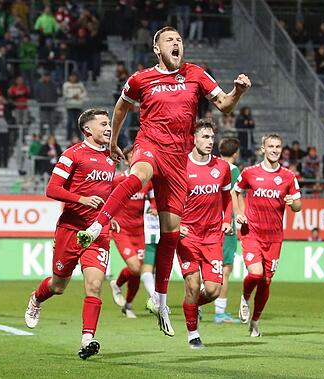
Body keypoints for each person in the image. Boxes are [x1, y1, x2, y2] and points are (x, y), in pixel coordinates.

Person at [76, 26, 251, 338]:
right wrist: (115, 142)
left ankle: (160, 299)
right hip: (149, 144)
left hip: (177, 159)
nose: (176, 43)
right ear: (156, 49)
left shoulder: (196, 74)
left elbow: (224, 104)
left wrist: (238, 91)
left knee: (170, 231)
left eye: (179, 40)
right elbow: (121, 108)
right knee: (138, 173)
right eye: (170, 40)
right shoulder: (141, 79)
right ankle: (97, 225)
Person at [23, 109, 115, 360]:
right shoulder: (72, 155)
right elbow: (52, 189)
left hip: (98, 231)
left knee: (95, 285)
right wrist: (81, 199)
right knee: (58, 285)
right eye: (104, 124)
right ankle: (36, 298)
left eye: (110, 124)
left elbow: (110, 192)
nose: (109, 128)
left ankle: (88, 338)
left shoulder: (112, 156)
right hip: (71, 229)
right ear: (88, 130)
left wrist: (109, 217)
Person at [232, 134, 302, 337]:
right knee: (255, 274)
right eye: (270, 146)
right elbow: (235, 192)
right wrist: (240, 213)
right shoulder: (250, 173)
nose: (274, 150)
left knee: (266, 282)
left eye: (278, 146)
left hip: (274, 237)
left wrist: (292, 202)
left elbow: (298, 206)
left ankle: (255, 321)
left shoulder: (288, 176)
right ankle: (245, 299)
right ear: (263, 149)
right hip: (252, 232)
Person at [175, 120, 232, 349]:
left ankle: (191, 305)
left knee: (212, 291)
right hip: (188, 234)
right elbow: (169, 199)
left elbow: (227, 198)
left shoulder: (222, 167)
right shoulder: (181, 166)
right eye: (205, 137)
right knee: (192, 284)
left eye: (212, 137)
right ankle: (193, 334)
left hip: (212, 236)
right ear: (194, 139)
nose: (210, 142)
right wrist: (176, 224)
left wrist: (227, 220)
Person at [109, 145, 153, 318]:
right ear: (127, 160)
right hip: (122, 230)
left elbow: (154, 197)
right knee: (134, 268)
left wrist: (155, 208)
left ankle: (128, 305)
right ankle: (117, 284)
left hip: (139, 230)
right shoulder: (118, 181)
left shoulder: (146, 182)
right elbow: (107, 200)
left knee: (137, 270)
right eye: (131, 156)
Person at [215, 137, 242, 324]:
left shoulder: (212, 165)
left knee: (205, 268)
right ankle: (220, 312)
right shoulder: (233, 170)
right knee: (225, 268)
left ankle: (197, 307)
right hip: (225, 224)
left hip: (207, 221)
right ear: (236, 153)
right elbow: (233, 196)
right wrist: (240, 217)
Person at [63, 72, 87, 141]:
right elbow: (65, 94)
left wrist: (79, 96)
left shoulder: (80, 85)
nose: (73, 78)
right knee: (70, 122)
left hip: (78, 106)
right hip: (69, 106)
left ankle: (79, 137)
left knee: (78, 122)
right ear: (69, 77)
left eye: (74, 76)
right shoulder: (66, 85)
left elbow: (84, 93)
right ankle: (69, 137)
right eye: (71, 76)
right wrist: (72, 96)